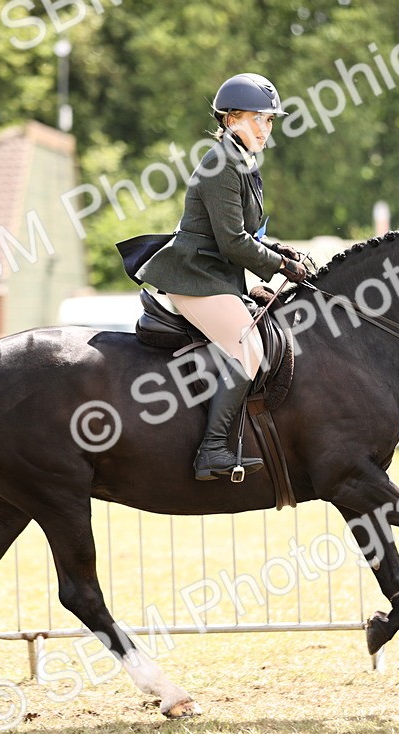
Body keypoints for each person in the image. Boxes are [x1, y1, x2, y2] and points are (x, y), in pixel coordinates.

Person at [133, 73, 308, 481]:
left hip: (214, 276)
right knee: (249, 347)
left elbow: (245, 237)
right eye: (260, 119)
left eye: (270, 120)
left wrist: (276, 254)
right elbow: (231, 243)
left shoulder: (243, 163)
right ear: (232, 120)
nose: (267, 128)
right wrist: (281, 267)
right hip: (193, 276)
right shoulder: (220, 164)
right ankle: (212, 450)